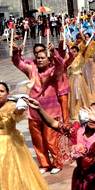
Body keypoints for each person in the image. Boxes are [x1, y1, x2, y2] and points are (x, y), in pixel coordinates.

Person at [12, 41, 64, 174]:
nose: (40, 60)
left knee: (50, 139)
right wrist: (15, 52)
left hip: (50, 112)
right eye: (38, 58)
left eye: (43, 58)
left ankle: (57, 162)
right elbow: (18, 63)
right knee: (38, 140)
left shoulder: (54, 71)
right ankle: (44, 164)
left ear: (48, 59)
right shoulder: (31, 70)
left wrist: (54, 53)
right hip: (33, 112)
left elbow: (61, 65)